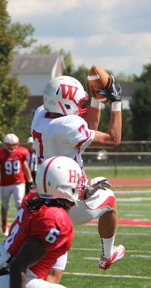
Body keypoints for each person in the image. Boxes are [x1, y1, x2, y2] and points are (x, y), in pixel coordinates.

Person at [31, 74, 125, 273]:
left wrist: (96, 98)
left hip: (44, 200)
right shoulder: (67, 126)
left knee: (52, 273)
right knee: (109, 198)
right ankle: (107, 255)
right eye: (77, 101)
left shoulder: (40, 115)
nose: (80, 106)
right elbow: (112, 140)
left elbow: (86, 130)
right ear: (64, 103)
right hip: (70, 202)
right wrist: (116, 102)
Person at [0, 156, 86, 288]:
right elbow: (18, 265)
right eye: (76, 182)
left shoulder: (34, 196)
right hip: (15, 279)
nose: (80, 187)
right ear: (64, 186)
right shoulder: (56, 218)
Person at [0, 133, 35, 236]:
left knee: (19, 203)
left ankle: (24, 225)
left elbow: (25, 168)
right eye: (9, 145)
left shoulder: (21, 152)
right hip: (5, 184)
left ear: (18, 144)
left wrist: (30, 181)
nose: (11, 147)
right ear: (4, 144)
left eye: (13, 145)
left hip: (18, 182)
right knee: (5, 206)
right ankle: (4, 226)